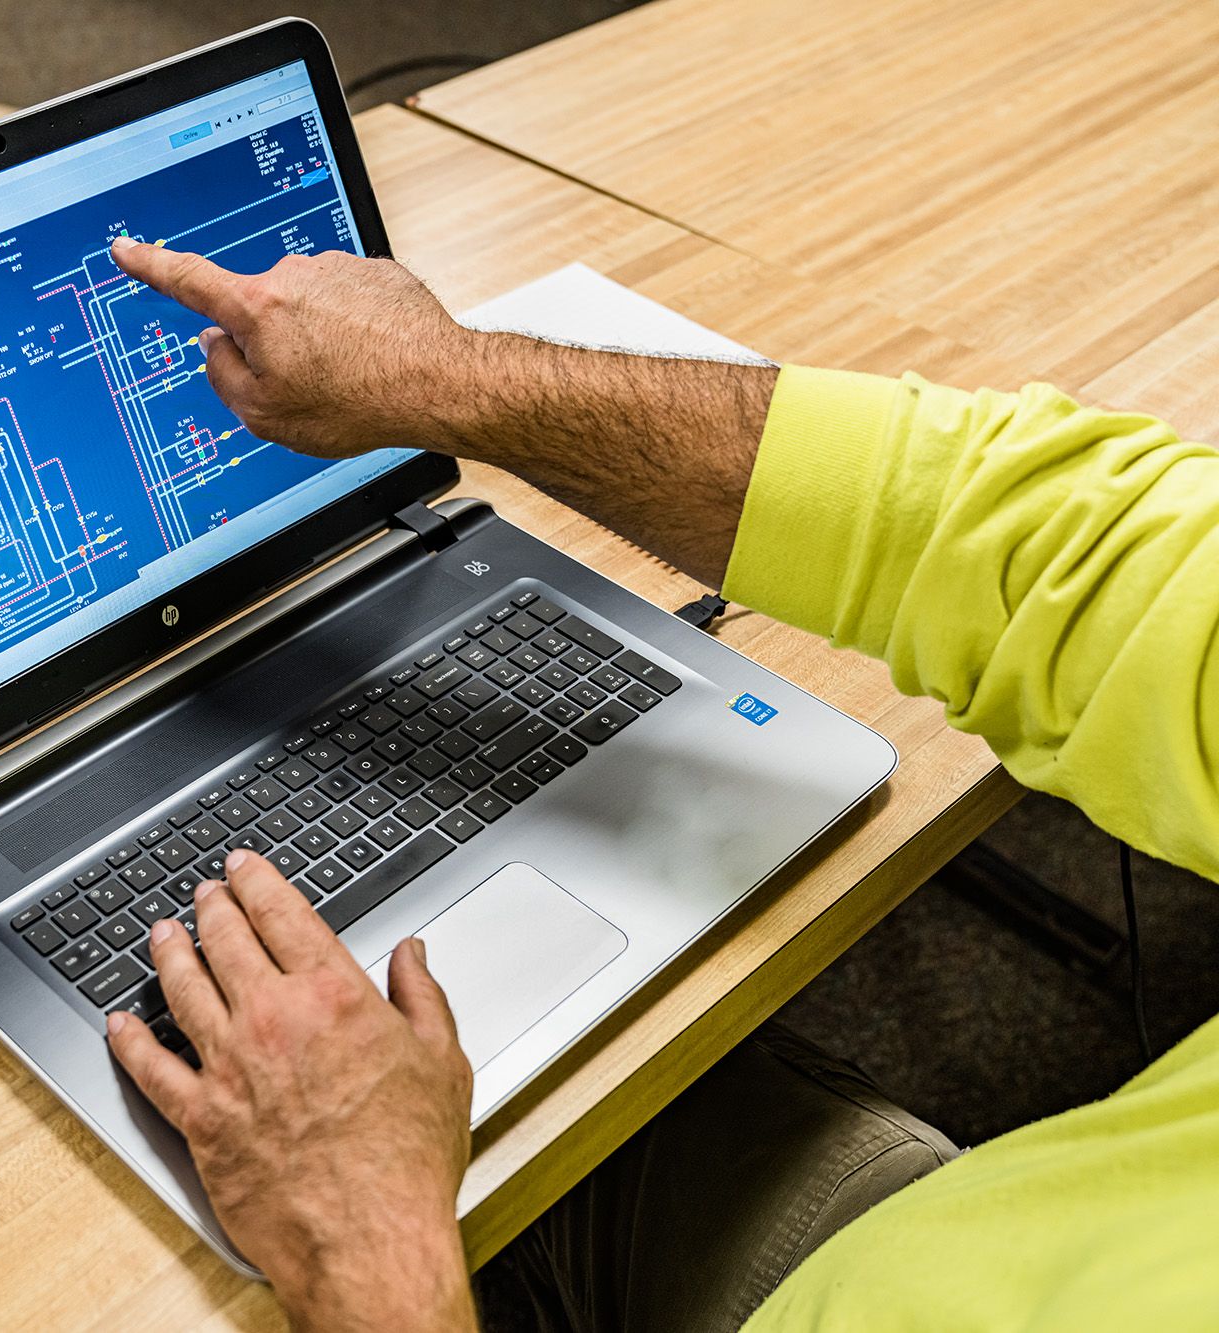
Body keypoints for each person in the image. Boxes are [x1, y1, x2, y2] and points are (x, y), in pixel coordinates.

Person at [96, 236, 1219, 1331]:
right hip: (995, 1238)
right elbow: (1051, 545)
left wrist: (371, 1240)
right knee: (607, 1088)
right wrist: (435, 374)